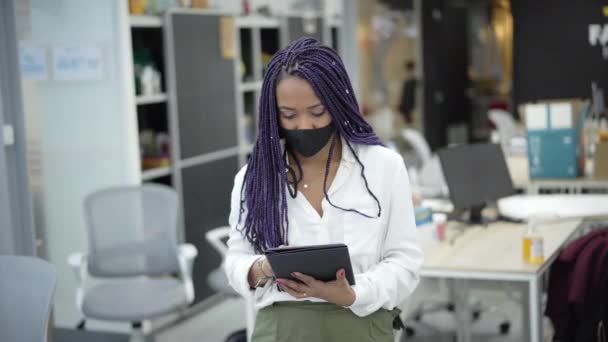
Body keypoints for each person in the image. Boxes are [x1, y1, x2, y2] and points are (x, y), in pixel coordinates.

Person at [225, 37, 422, 342]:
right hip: (282, 328)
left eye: (317, 112)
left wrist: (353, 294)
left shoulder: (383, 168)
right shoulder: (255, 180)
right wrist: (265, 267)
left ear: (337, 104)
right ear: (272, 115)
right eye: (288, 115)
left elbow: (405, 262)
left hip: (362, 322)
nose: (304, 125)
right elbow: (236, 258)